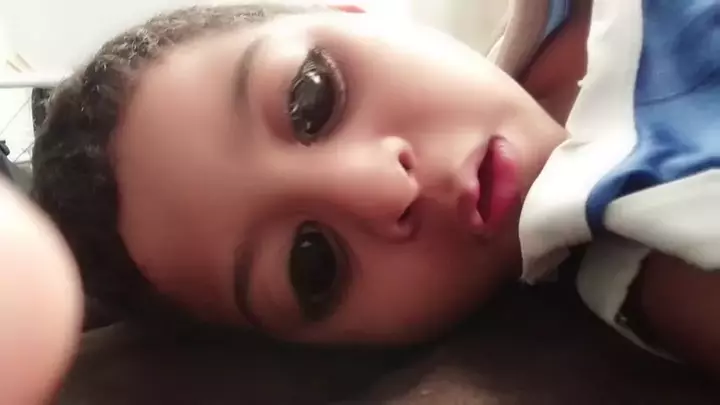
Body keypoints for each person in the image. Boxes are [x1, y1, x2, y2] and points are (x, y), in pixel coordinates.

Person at [30, 0, 720, 380]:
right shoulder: (659, 255)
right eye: (313, 264)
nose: (384, 187)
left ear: (355, 13)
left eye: (312, 98)